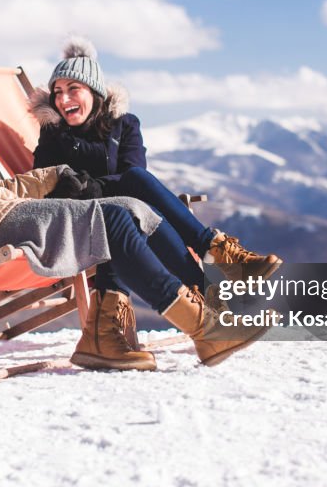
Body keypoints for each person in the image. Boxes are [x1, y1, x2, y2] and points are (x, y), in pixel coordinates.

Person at [0, 57, 267, 373]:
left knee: (129, 207)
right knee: (112, 220)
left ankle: (201, 317)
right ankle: (204, 328)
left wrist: (54, 175)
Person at [31, 37, 283, 308]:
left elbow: (134, 171)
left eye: (72, 88)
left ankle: (211, 295)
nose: (62, 98)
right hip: (76, 222)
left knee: (141, 205)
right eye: (56, 92)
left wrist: (93, 185)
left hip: (126, 214)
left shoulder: (124, 124)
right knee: (138, 204)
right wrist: (82, 188)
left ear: (94, 91)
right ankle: (217, 258)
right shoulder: (53, 133)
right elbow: (42, 184)